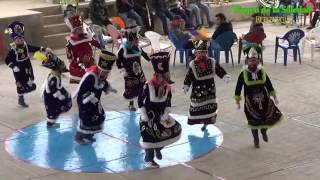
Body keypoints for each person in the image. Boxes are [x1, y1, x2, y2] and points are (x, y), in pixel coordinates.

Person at [234, 44, 283, 148]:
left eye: (255, 60)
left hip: (264, 100)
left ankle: (264, 131)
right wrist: (237, 100)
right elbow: (238, 87)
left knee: (266, 119)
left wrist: (274, 96)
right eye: (250, 60)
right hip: (250, 102)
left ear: (258, 61)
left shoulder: (262, 71)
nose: (252, 62)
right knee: (253, 121)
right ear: (247, 61)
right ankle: (256, 139)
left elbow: (268, 84)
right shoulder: (243, 74)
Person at [138, 51, 182, 168]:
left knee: (174, 129)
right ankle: (149, 159)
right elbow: (139, 100)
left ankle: (158, 147)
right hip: (148, 117)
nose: (165, 80)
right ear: (157, 76)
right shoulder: (147, 86)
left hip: (161, 116)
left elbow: (168, 103)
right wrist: (143, 114)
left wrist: (166, 113)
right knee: (149, 138)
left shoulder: (167, 88)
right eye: (163, 77)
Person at [183, 40, 231, 131]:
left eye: (204, 52)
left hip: (210, 89)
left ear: (206, 52)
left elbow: (218, 69)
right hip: (197, 90)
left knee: (209, 108)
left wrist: (224, 76)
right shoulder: (193, 64)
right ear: (196, 53)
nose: (202, 54)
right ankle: (197, 121)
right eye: (200, 52)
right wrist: (186, 85)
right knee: (197, 107)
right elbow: (189, 76)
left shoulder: (212, 62)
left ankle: (206, 123)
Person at [73, 50, 117, 145]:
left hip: (95, 102)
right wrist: (91, 98)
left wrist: (109, 88)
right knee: (86, 119)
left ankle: (89, 135)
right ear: (101, 70)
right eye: (105, 72)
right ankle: (79, 137)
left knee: (98, 117)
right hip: (85, 102)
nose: (106, 75)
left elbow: (103, 83)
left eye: (107, 72)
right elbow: (83, 90)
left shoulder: (100, 75)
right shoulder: (91, 76)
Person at [5, 21, 51, 107]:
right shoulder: (13, 50)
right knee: (20, 84)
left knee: (30, 80)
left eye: (21, 38)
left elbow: (33, 48)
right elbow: (7, 60)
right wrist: (13, 66)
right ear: (14, 40)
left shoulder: (25, 45)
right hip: (18, 68)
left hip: (27, 65)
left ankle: (28, 86)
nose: (20, 40)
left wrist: (43, 49)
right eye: (18, 39)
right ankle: (21, 99)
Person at [116, 20, 150, 111]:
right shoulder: (123, 49)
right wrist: (122, 71)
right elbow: (118, 61)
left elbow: (144, 54)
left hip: (139, 71)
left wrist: (150, 59)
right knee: (131, 88)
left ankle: (141, 102)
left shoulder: (137, 48)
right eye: (136, 40)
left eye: (137, 40)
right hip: (129, 73)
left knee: (142, 86)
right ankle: (131, 104)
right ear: (131, 41)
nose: (137, 42)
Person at [65, 15, 101, 84]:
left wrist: (99, 43)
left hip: (89, 60)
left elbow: (95, 43)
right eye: (78, 29)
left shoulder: (86, 36)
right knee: (83, 79)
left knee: (93, 76)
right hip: (79, 62)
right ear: (74, 30)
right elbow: (68, 50)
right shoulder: (71, 40)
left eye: (81, 28)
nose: (81, 30)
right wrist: (71, 60)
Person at [41, 52, 72, 128]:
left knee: (55, 110)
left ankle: (51, 122)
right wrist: (61, 96)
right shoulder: (54, 78)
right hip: (51, 97)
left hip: (53, 94)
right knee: (53, 110)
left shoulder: (55, 74)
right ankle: (50, 124)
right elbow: (52, 89)